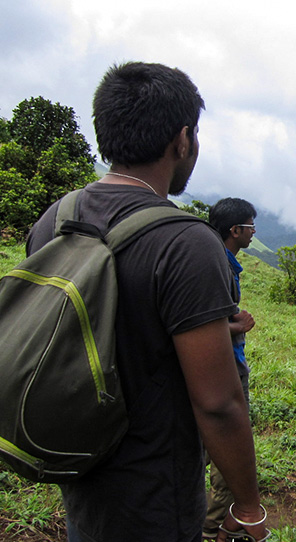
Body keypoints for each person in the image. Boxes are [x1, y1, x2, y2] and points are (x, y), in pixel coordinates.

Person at [26, 62, 266, 542]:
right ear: (183, 140)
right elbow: (217, 402)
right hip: (155, 494)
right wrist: (247, 505)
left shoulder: (56, 217)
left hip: (80, 473)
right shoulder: (186, 242)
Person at [204, 198, 258, 539]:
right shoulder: (219, 266)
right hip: (225, 366)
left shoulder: (216, 261)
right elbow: (200, 324)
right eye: (250, 227)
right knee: (231, 445)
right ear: (235, 230)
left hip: (220, 364)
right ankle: (215, 526)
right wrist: (238, 326)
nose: (254, 233)